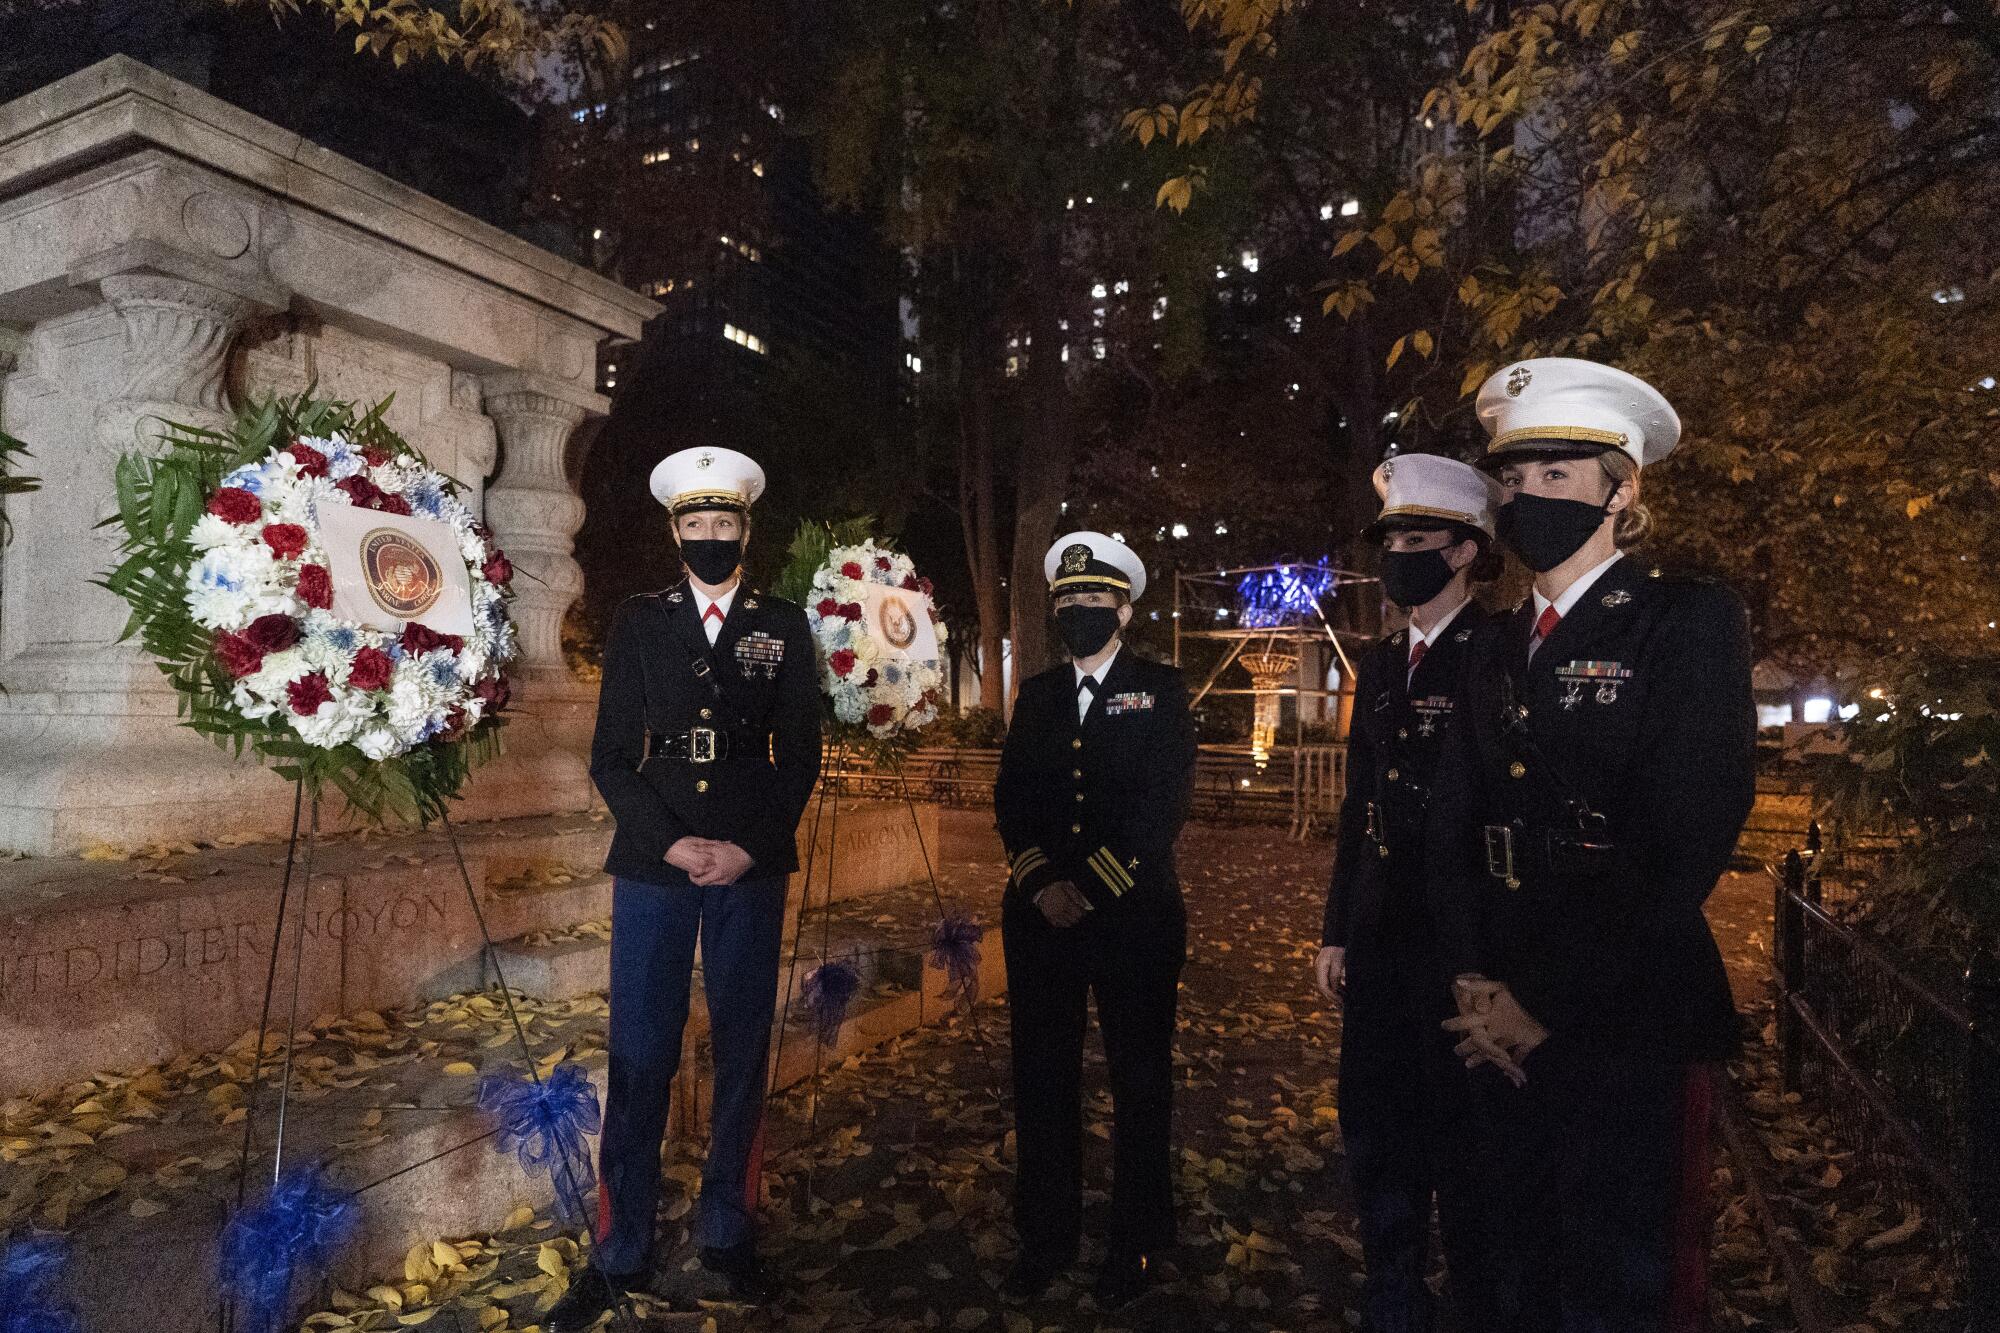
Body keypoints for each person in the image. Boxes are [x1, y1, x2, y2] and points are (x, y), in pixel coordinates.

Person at [1429, 358, 1756, 1332]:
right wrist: (1467, 978)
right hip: (1488, 1004)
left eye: (1557, 476)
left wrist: (1544, 1004)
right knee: (1502, 1260)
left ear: (1623, 489)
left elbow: (1679, 842)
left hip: (1620, 1011)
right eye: (1514, 480)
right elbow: (1450, 826)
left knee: (1609, 1280)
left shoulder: (1683, 622)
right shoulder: (1488, 642)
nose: (1527, 498)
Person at [554, 447, 823, 1329]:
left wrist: (748, 845)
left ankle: (726, 1231)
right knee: (639, 1052)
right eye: (696, 525)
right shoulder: (639, 621)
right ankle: (621, 1244)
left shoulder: (782, 623)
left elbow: (801, 752)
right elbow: (609, 758)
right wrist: (672, 844)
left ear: (748, 528)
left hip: (749, 863)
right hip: (656, 864)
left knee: (744, 1045)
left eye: (726, 524)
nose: (712, 538)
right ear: (675, 531)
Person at [1313, 453, 1503, 1333]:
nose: (1397, 556)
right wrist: (1335, 930)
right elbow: (1362, 805)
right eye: (1390, 540)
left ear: (1466, 551)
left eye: (1417, 539)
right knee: (1378, 1124)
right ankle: (1393, 1290)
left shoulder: (1496, 653)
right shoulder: (1385, 663)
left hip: (1463, 942)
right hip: (1384, 937)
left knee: (1464, 1139)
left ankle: (1473, 1298)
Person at [994, 532, 1198, 1311]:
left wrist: (1091, 885)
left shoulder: (1163, 688)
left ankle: (1138, 1237)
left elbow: (1161, 806)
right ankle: (1045, 1237)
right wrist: (1043, 883)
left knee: (1137, 1080)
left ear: (1125, 606)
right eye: (1068, 601)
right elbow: (1013, 799)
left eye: (1094, 599)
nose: (1080, 610)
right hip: (1040, 917)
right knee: (1042, 1080)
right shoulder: (1039, 694)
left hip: (1134, 918)